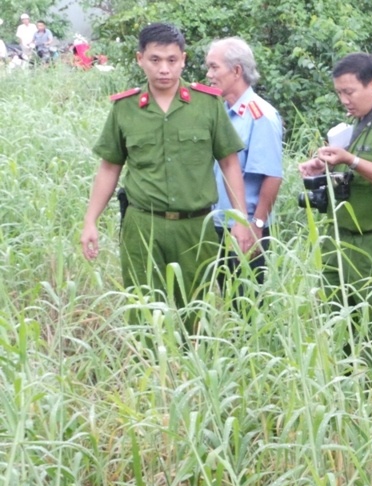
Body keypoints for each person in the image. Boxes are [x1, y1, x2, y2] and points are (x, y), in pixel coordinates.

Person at [79, 22, 258, 328]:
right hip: (142, 226)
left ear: (183, 60)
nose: (164, 69)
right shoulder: (125, 108)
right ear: (140, 59)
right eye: (155, 60)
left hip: (195, 228)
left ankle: (192, 359)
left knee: (196, 316)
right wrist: (90, 221)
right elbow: (110, 166)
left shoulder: (207, 104)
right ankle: (150, 359)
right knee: (145, 315)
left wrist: (240, 220)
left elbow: (230, 163)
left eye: (172, 60)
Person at [297, 53, 372, 354]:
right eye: (339, 93)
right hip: (339, 239)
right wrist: (323, 165)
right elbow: (352, 170)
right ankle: (346, 382)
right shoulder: (359, 122)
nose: (344, 100)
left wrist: (351, 160)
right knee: (338, 326)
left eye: (349, 92)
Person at [204, 36, 283, 297]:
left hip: (245, 227)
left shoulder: (260, 116)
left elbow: (272, 176)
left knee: (246, 306)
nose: (209, 74)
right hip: (218, 222)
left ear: (236, 70)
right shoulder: (221, 113)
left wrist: (255, 225)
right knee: (226, 300)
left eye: (214, 67)